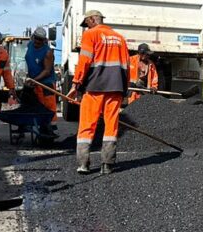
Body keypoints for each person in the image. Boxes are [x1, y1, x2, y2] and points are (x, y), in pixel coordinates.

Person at [68, 9, 128, 175]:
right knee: (111, 126)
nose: (86, 27)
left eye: (86, 23)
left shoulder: (91, 35)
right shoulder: (120, 38)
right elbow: (126, 66)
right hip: (115, 87)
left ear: (93, 19)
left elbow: (84, 61)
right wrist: (124, 90)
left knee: (87, 125)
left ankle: (83, 164)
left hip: (94, 87)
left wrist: (76, 84)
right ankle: (107, 165)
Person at [24, 27, 57, 115]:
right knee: (37, 106)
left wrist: (34, 80)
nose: (37, 41)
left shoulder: (47, 52)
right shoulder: (30, 45)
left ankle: (50, 126)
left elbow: (47, 71)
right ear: (33, 37)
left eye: (40, 40)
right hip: (35, 82)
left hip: (46, 84)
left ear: (44, 40)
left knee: (48, 107)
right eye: (36, 38)